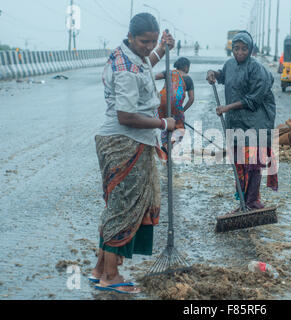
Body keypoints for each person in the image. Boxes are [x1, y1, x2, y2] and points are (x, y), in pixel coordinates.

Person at [91, 12, 175, 294]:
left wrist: (162, 50)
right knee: (124, 207)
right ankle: (111, 276)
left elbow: (144, 66)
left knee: (117, 204)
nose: (148, 47)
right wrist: (164, 122)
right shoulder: (126, 68)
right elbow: (126, 115)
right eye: (144, 42)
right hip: (124, 140)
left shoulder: (128, 56)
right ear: (131, 36)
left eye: (153, 42)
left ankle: (101, 268)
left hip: (126, 139)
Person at [206, 31, 278, 211]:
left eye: (244, 49)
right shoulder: (230, 64)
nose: (240, 53)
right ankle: (243, 202)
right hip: (237, 123)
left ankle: (252, 201)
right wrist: (213, 73)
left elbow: (254, 100)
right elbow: (223, 76)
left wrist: (227, 108)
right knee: (239, 162)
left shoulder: (256, 69)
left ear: (250, 49)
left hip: (256, 122)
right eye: (236, 49)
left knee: (252, 163)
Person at [155, 57, 195, 156]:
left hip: (162, 103)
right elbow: (191, 98)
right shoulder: (187, 78)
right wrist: (182, 110)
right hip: (176, 107)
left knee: (165, 124)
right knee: (181, 130)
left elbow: (153, 77)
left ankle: (165, 144)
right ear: (186, 67)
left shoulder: (169, 72)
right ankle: (169, 146)